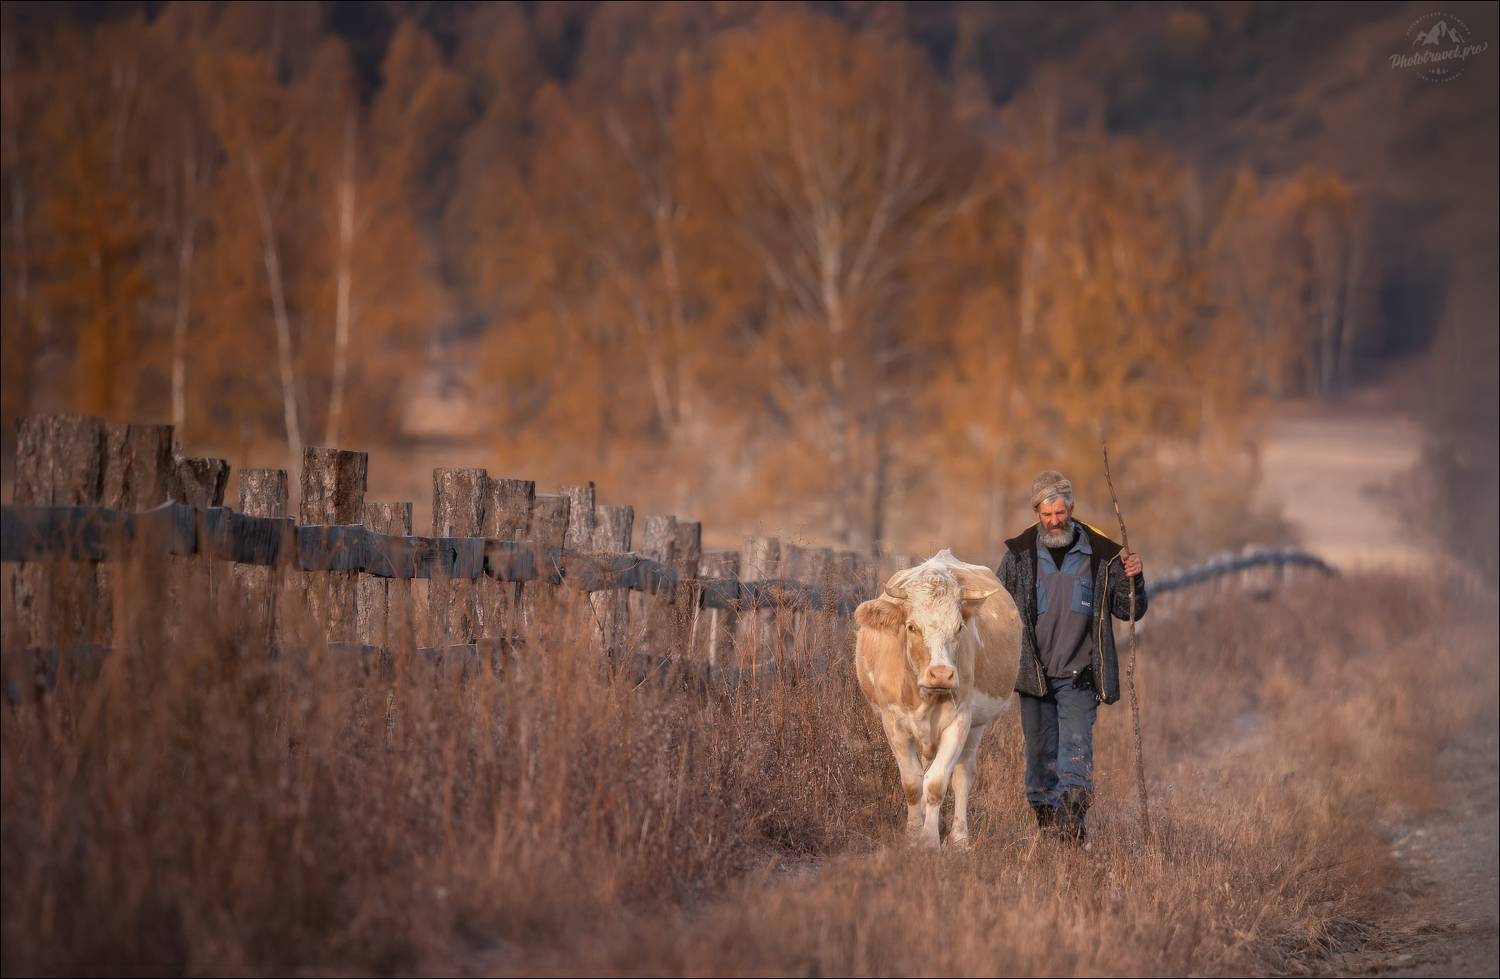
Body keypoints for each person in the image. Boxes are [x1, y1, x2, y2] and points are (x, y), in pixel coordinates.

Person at [996, 469, 1147, 844]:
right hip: (1034, 676)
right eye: (1047, 514)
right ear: (1036, 513)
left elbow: (1129, 610)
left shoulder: (1102, 554)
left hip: (1080, 676)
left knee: (1076, 757)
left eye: (1060, 513)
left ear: (1072, 509)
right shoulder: (1018, 556)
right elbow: (997, 609)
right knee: (1039, 761)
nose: (1054, 521)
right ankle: (1048, 830)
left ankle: (1071, 828)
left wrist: (1135, 579)